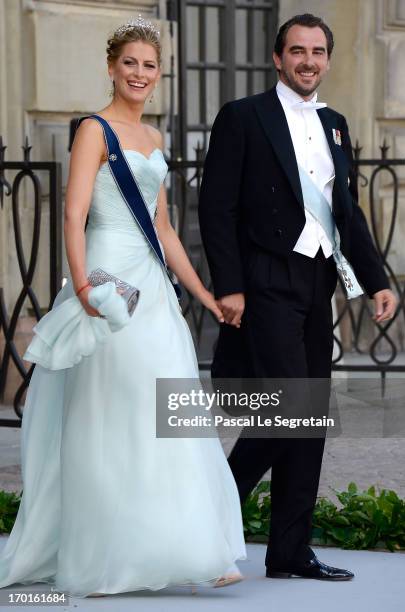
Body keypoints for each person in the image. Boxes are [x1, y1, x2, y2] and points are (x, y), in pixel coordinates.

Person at [0, 17, 246, 597]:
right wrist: (84, 288)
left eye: (149, 66)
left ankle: (195, 548)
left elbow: (164, 230)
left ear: (159, 77)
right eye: (130, 63)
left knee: (169, 413)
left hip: (153, 289)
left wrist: (207, 297)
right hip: (108, 284)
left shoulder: (156, 141)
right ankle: (110, 556)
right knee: (114, 413)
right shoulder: (94, 129)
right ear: (112, 68)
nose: (139, 74)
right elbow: (73, 212)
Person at [198, 13, 397, 581]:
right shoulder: (243, 117)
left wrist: (376, 279)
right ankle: (209, 518)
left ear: (328, 59)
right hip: (264, 282)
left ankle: (289, 551)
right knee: (288, 412)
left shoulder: (334, 123)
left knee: (308, 419)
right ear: (278, 58)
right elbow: (217, 207)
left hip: (318, 282)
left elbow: (346, 212)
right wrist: (229, 284)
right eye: (297, 51)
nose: (308, 61)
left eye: (317, 51)